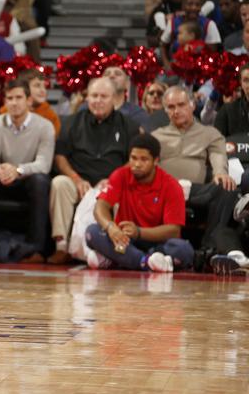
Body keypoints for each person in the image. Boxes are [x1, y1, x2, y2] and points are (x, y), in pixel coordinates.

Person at [153, 86, 244, 272]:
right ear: (165, 110)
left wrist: (220, 173)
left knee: (227, 188)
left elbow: (219, 157)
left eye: (181, 105)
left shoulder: (209, 134)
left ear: (192, 105)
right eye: (170, 107)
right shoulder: (156, 137)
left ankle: (208, 248)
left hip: (195, 192)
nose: (176, 111)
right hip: (164, 192)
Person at [50, 77, 134, 264]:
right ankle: (61, 246)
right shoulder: (71, 122)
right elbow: (60, 156)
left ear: (114, 98)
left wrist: (114, 179)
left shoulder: (128, 125)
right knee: (59, 183)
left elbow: (133, 160)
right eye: (94, 95)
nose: (98, 100)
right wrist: (75, 178)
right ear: (87, 98)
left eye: (103, 96)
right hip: (79, 182)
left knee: (125, 191)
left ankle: (119, 245)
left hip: (112, 184)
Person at [84, 134, 192, 272]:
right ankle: (146, 262)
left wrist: (139, 232)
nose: (137, 164)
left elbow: (173, 231)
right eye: (133, 158)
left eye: (144, 159)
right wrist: (111, 227)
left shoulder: (171, 185)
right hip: (124, 240)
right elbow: (100, 207)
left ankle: (116, 260)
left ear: (156, 160)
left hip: (156, 242)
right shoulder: (120, 175)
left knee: (183, 250)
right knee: (92, 232)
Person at [0, 80, 54, 262]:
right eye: (9, 98)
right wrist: (1, 170)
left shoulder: (45, 127)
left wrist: (18, 170)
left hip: (28, 177)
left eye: (19, 97)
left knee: (40, 180)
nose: (14, 103)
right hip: (3, 177)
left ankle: (36, 249)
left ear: (29, 100)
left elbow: (44, 164)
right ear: (4, 102)